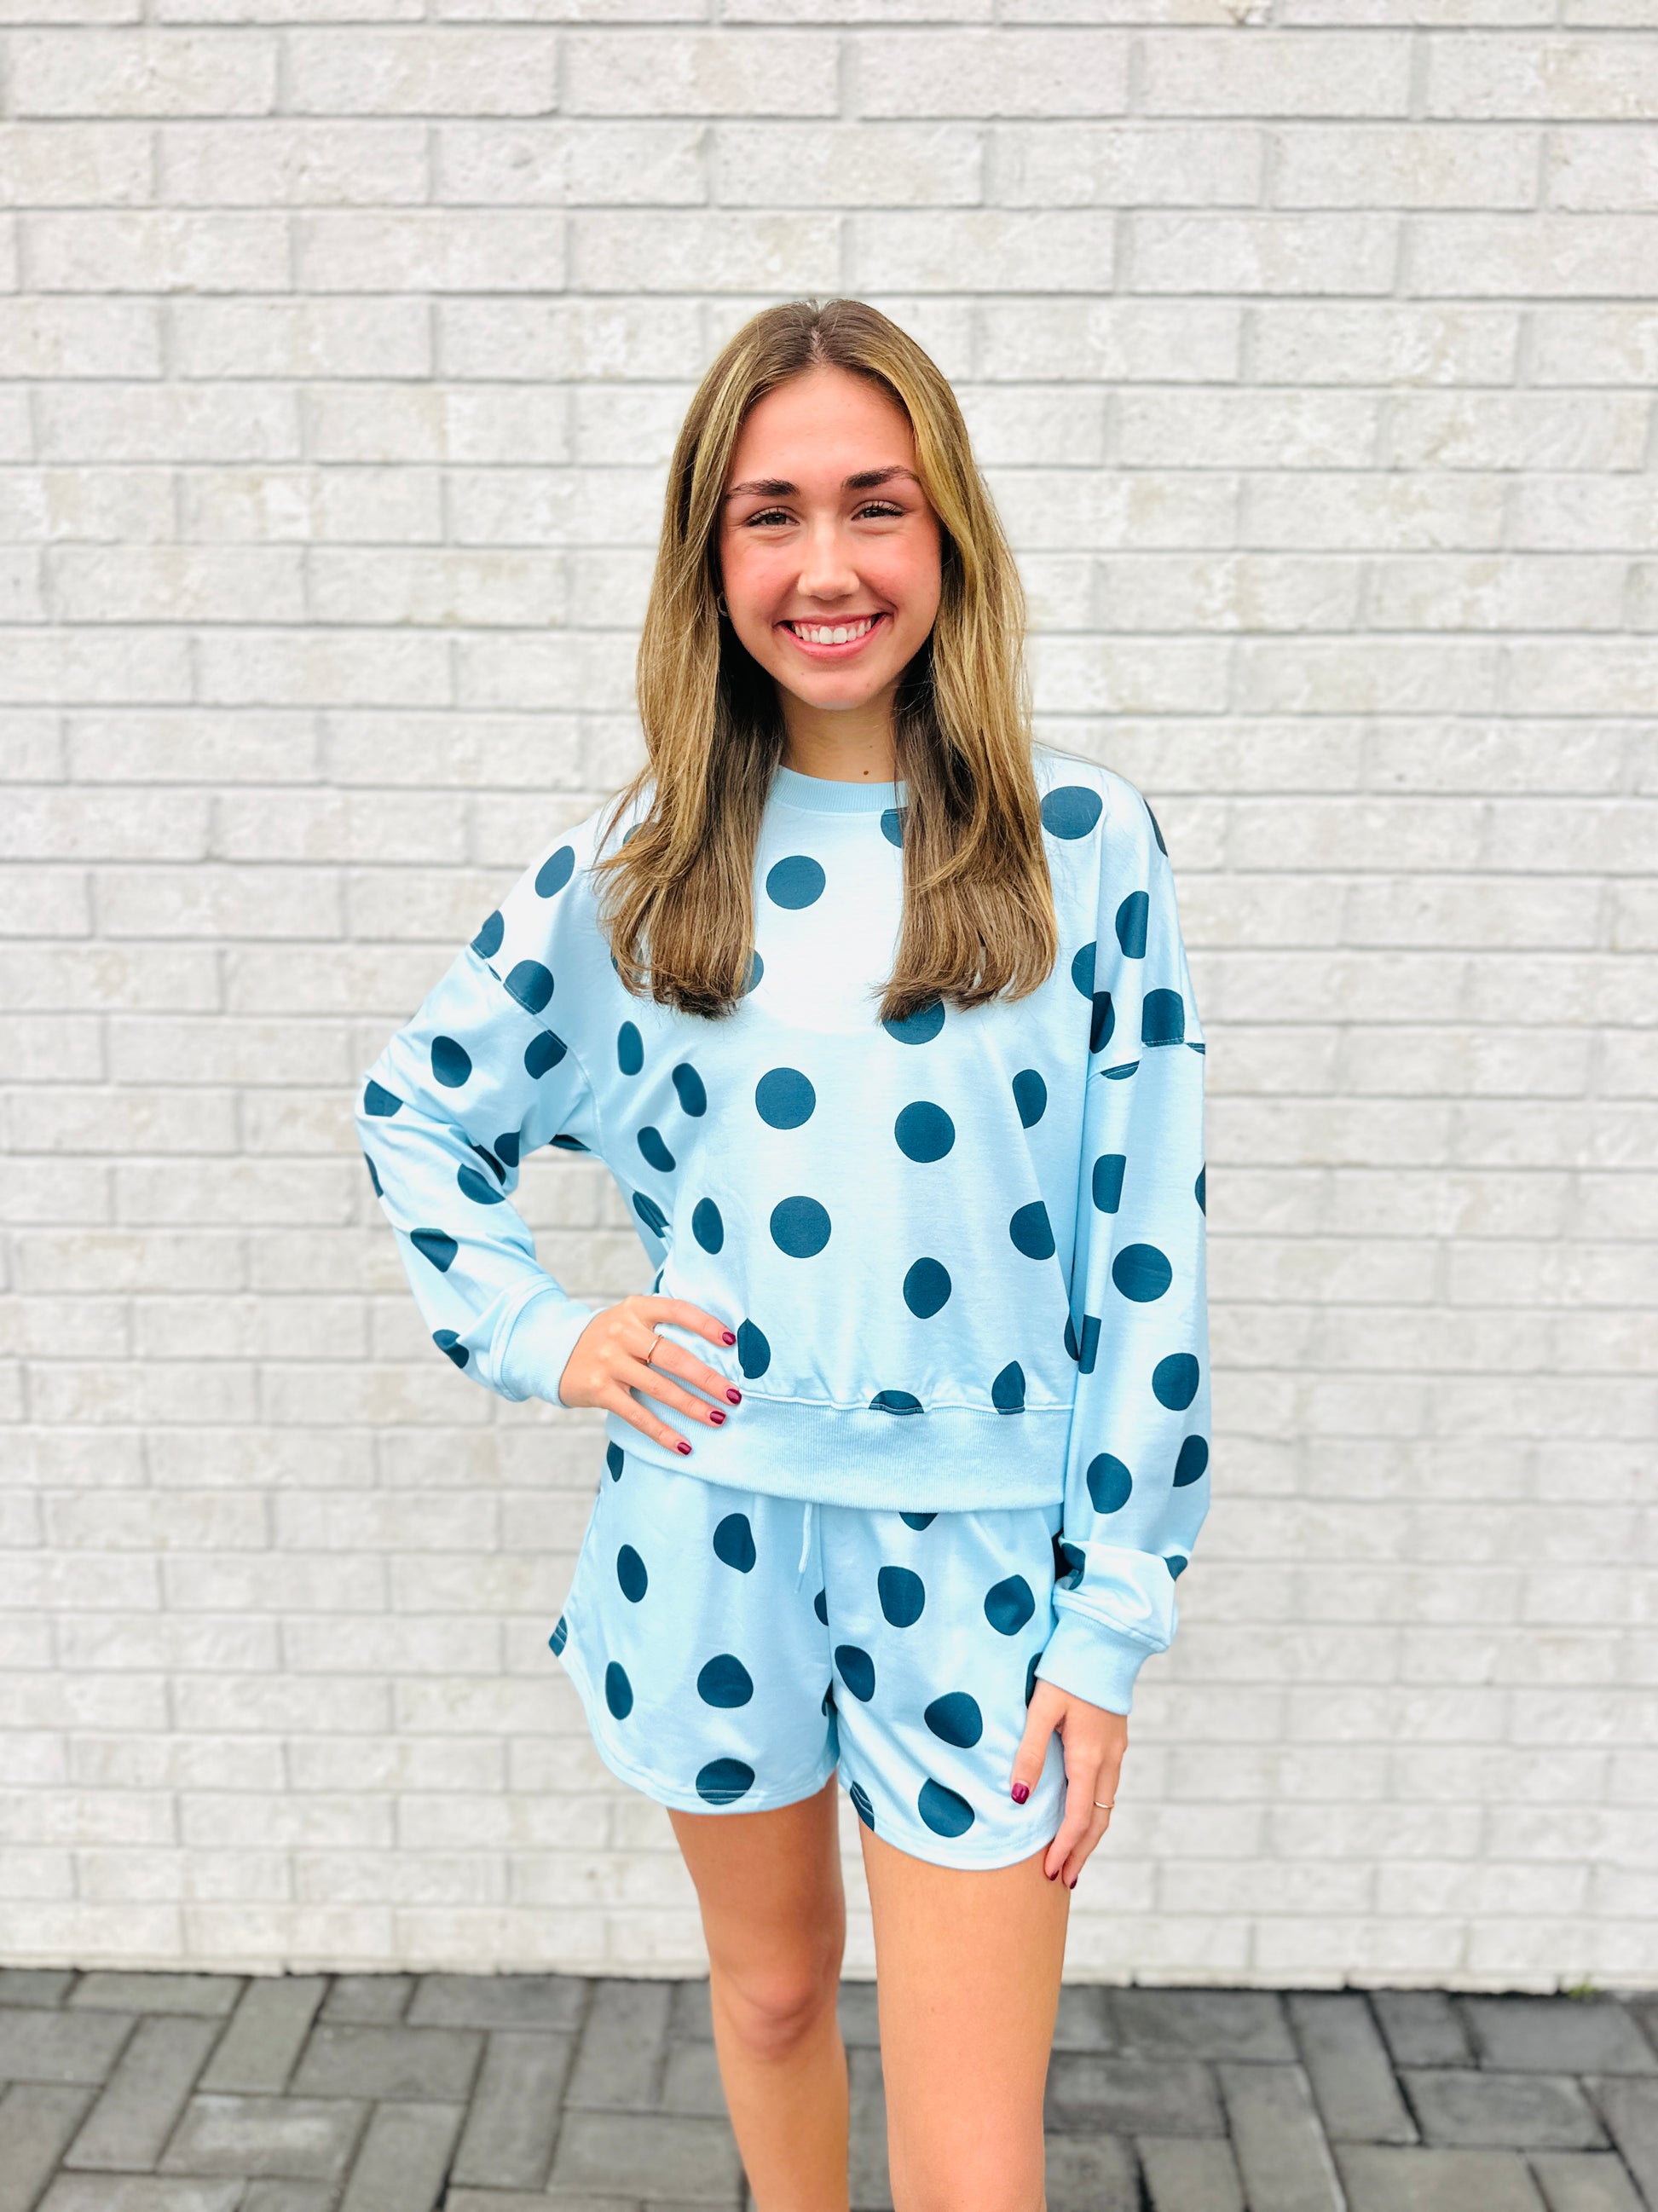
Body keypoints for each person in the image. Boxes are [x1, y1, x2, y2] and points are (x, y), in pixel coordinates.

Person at [357, 297, 1210, 2212]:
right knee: (764, 1999)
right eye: (773, 513)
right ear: (711, 552)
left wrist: (1109, 1614)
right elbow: (417, 1106)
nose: (828, 566)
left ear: (946, 531)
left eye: (874, 504)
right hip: (708, 1531)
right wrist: (543, 1329)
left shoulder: (1084, 842)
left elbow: (1143, 1248)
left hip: (986, 1563)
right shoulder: (641, 859)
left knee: (975, 2160)